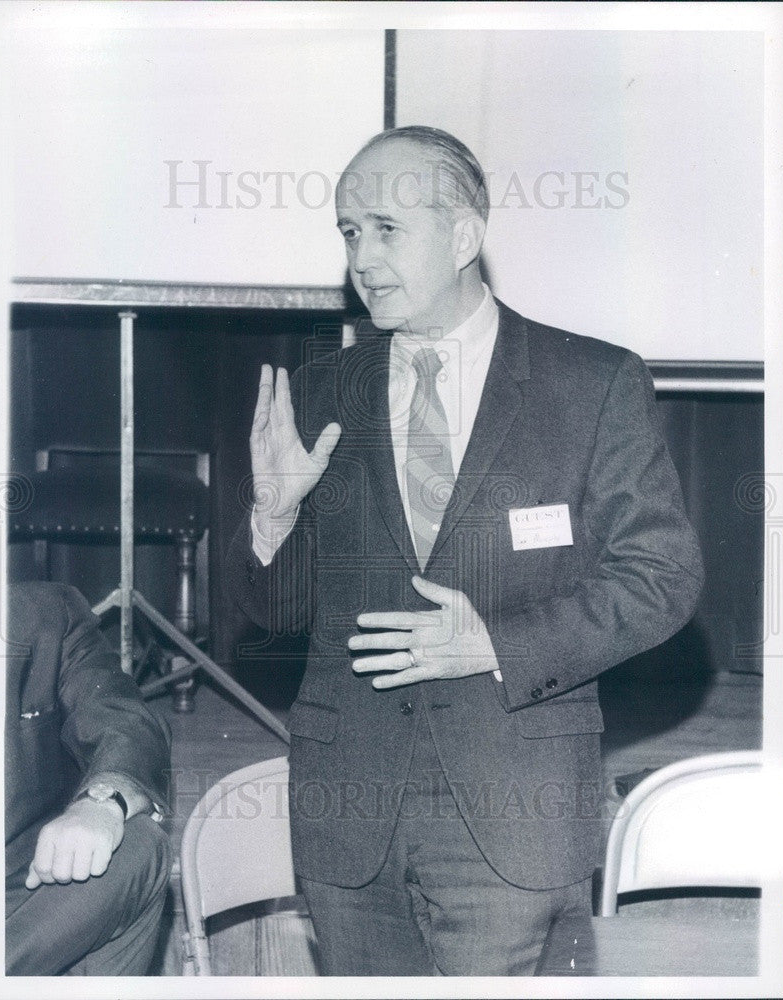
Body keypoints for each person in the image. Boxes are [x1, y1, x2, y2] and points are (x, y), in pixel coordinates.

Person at [226, 125, 704, 975]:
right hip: (348, 818)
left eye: (385, 228)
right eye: (347, 232)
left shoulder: (591, 383)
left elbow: (661, 577)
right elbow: (276, 613)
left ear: (463, 236)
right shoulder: (318, 392)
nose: (361, 258)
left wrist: (494, 642)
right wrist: (272, 518)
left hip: (512, 811)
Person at [5, 581, 172, 976]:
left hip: (17, 890)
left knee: (140, 846)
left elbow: (122, 715)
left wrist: (102, 802)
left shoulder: (45, 614)